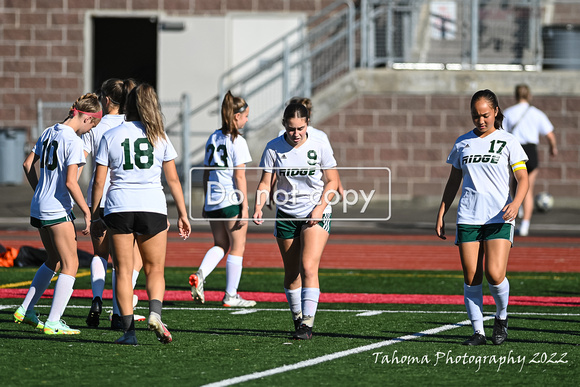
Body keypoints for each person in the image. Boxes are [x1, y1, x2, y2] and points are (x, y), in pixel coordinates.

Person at [91, 83, 191, 345]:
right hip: (152, 206)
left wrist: (93, 215)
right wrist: (183, 213)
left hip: (119, 206)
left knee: (123, 271)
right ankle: (155, 314)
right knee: (155, 268)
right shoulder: (160, 137)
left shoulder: (111, 135)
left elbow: (100, 182)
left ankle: (129, 332)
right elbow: (173, 180)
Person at [435, 89, 529, 346]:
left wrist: (517, 203)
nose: (480, 120)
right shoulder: (462, 142)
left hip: (499, 216)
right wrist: (442, 211)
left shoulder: (508, 141)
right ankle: (478, 332)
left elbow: (523, 178)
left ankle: (501, 316)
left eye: (485, 115)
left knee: (494, 273)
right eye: (475, 116)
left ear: (496, 111)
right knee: (471, 275)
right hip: (468, 216)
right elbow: (454, 180)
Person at [14, 93, 102, 335]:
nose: (89, 131)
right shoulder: (73, 141)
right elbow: (72, 183)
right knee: (70, 264)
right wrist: (87, 211)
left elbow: (27, 165)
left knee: (52, 260)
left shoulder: (48, 131)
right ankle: (53, 321)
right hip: (55, 209)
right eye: (91, 126)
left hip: (39, 205)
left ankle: (25, 309)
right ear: (86, 119)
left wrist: (40, 190)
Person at [253, 103, 339, 340]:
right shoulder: (273, 148)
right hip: (286, 214)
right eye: (291, 129)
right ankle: (298, 319)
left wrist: (320, 208)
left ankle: (307, 326)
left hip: (314, 213)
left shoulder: (320, 144)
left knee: (308, 266)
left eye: (300, 128)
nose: (296, 133)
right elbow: (264, 182)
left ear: (308, 123)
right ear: (285, 126)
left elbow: (332, 181)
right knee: (292, 274)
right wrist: (259, 205)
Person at [83, 78, 144, 329]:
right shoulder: (136, 125)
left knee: (100, 254)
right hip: (125, 197)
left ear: (106, 100)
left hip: (98, 198)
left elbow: (78, 162)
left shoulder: (96, 126)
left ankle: (97, 298)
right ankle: (119, 311)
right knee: (128, 260)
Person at [188, 91, 256, 308]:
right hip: (230, 200)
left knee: (220, 244)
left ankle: (200, 274)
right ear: (236, 117)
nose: (247, 119)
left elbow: (207, 172)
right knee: (238, 247)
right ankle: (231, 295)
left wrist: (207, 201)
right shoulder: (238, 141)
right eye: (245, 116)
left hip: (214, 200)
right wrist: (245, 207)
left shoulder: (213, 137)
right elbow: (239, 176)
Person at [503, 84, 558, 236]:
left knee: (515, 184)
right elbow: (550, 134)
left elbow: (501, 133)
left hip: (515, 151)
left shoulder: (509, 112)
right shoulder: (537, 113)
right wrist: (553, 148)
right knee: (528, 188)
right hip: (531, 152)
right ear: (529, 95)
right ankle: (525, 223)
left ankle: (516, 215)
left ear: (515, 95)